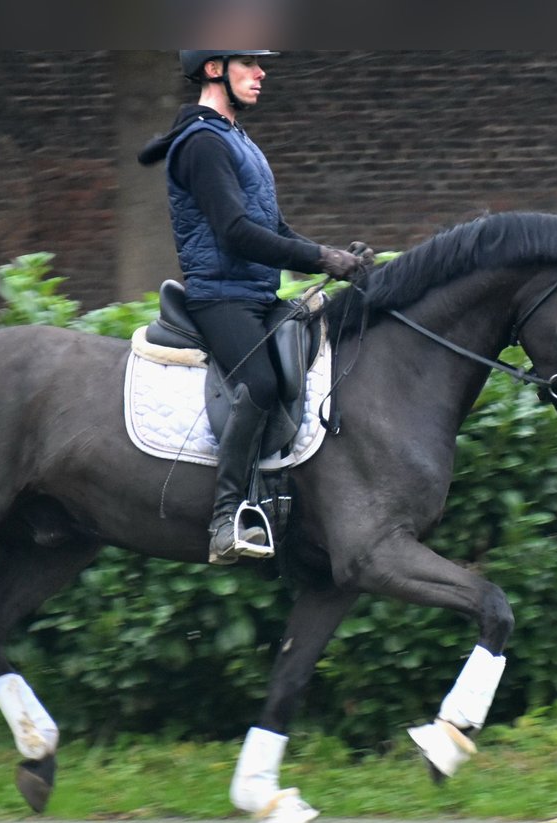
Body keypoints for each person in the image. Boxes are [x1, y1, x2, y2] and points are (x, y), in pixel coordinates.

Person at [139, 50, 372, 565]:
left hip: (255, 295)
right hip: (219, 296)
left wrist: (334, 259)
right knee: (260, 384)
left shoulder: (237, 141)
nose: (262, 73)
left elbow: (275, 231)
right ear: (214, 68)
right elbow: (236, 233)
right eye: (249, 63)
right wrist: (319, 258)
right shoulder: (202, 145)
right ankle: (226, 517)